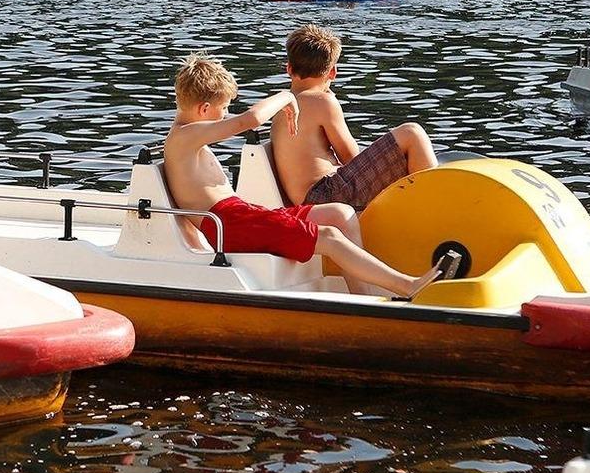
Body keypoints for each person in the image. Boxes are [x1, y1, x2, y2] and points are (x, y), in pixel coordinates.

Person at [163, 52, 459, 299]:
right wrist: (286, 96)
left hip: (241, 215)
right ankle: (407, 285)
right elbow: (250, 120)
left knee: (339, 214)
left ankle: (364, 298)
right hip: (231, 225)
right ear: (204, 108)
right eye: (223, 108)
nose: (225, 115)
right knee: (329, 237)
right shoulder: (184, 137)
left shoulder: (190, 139)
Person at [270, 25, 438, 210]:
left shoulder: (282, 106)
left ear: (289, 68)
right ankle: (435, 208)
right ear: (333, 72)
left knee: (398, 151)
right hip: (325, 195)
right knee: (412, 133)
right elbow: (350, 157)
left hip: (314, 196)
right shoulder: (322, 102)